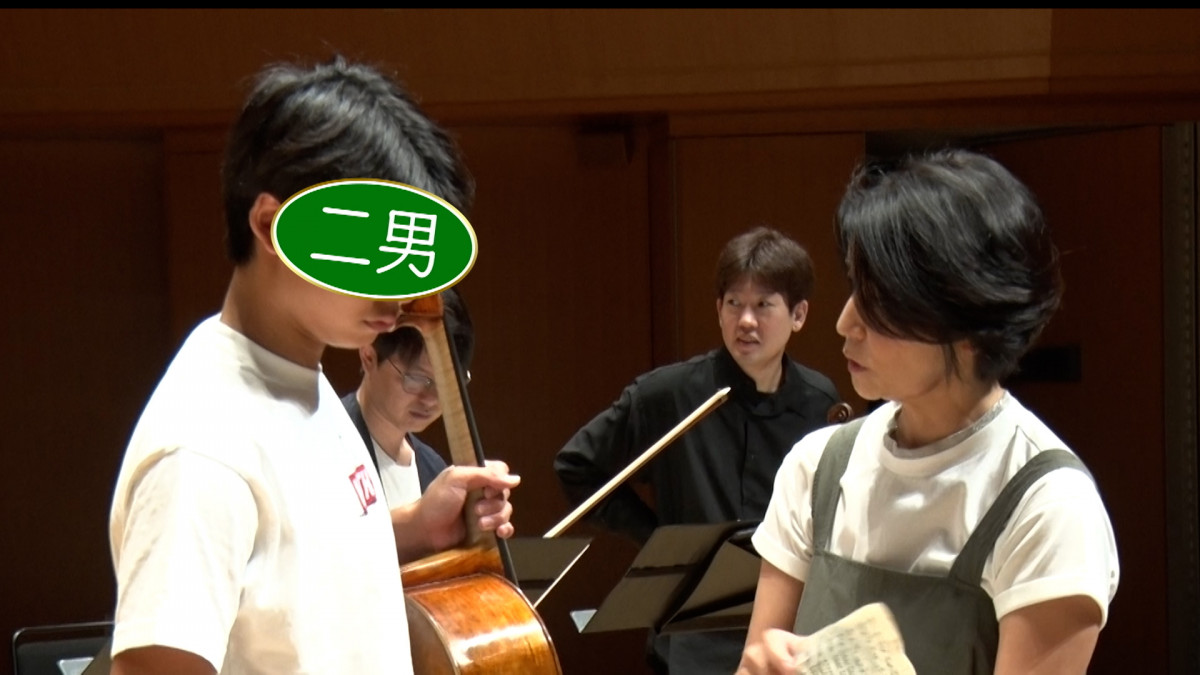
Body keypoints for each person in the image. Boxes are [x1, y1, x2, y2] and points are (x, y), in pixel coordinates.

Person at [107, 56, 520, 675]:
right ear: (271, 225)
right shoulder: (203, 450)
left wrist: (414, 528)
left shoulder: (301, 380)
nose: (400, 294)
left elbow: (292, 569)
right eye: (371, 254)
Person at [737, 149, 1120, 675]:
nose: (846, 322)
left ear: (968, 323)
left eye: (880, 300)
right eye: (855, 288)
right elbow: (757, 659)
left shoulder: (1049, 505)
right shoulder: (817, 466)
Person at [554, 226, 842, 674]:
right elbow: (577, 466)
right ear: (718, 309)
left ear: (798, 314)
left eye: (763, 305)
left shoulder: (819, 401)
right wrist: (657, 540)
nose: (746, 321)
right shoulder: (667, 394)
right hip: (691, 635)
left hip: (786, 625)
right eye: (734, 304)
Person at [342, 287, 474, 506]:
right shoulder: (328, 444)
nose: (431, 399)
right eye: (416, 379)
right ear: (368, 356)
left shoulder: (434, 469)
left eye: (446, 382)